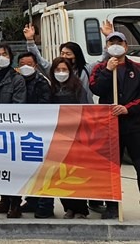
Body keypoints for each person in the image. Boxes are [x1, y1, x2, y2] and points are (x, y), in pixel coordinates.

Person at [90, 31, 140, 219]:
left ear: (126, 47)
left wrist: (128, 109)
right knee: (110, 168)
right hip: (109, 126)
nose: (116, 45)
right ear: (106, 47)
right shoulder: (99, 68)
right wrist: (108, 71)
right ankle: (112, 206)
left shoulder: (137, 68)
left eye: (120, 42)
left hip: (134, 126)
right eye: (112, 42)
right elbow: (95, 88)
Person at [0, 43, 27, 218]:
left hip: (11, 131)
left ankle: (15, 203)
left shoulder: (18, 80)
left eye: (5, 54)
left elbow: (19, 106)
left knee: (13, 168)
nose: (1, 57)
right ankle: (4, 200)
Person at [23, 21, 113, 104]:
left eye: (68, 54)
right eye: (62, 54)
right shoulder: (54, 70)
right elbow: (38, 60)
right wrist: (30, 41)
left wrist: (109, 37)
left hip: (84, 110)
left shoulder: (87, 69)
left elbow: (104, 60)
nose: (65, 57)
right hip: (60, 112)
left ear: (76, 56)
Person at [48, 57, 90, 219]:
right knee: (60, 174)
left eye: (64, 70)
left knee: (76, 173)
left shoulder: (78, 88)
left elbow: (86, 110)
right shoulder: (51, 88)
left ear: (70, 71)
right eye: (57, 70)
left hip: (76, 136)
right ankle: (68, 207)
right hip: (58, 136)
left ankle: (81, 208)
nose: (61, 73)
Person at [17, 52, 53, 218]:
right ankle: (31, 201)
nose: (26, 67)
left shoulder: (42, 82)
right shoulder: (18, 81)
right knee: (28, 169)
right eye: (22, 63)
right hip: (22, 131)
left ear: (35, 66)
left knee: (43, 169)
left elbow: (44, 105)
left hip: (39, 131)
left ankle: (45, 205)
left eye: (29, 64)